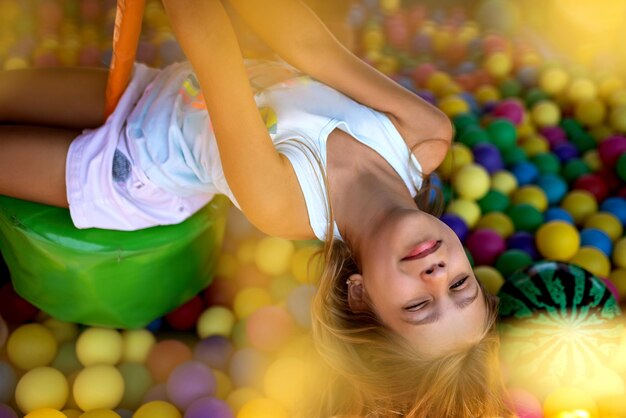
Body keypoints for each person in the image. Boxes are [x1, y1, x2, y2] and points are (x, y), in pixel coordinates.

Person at [0, 0, 511, 416]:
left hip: (128, 170)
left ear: (359, 297)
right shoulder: (423, 136)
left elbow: (216, 55)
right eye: (460, 286)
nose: (437, 275)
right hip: (151, 89)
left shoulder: (283, 204)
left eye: (419, 306)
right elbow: (309, 45)